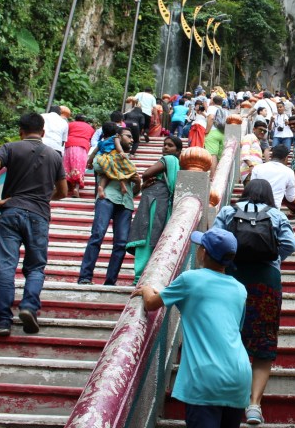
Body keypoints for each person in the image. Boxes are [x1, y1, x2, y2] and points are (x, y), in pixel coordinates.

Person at [131, 228, 251, 428]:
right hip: (239, 375)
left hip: (206, 376)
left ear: (203, 252)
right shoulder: (240, 289)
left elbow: (151, 303)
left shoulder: (190, 279)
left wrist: (146, 289)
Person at [213, 180, 295, 425]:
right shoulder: (276, 214)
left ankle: (228, 397)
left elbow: (215, 240)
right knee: (263, 339)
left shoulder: (229, 210)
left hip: (233, 277)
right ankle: (254, 406)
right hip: (266, 281)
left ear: (246, 191)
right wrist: (273, 257)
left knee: (230, 336)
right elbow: (291, 244)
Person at [0, 113, 67, 336]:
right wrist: (42, 197)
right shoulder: (54, 155)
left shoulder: (11, 147)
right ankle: (29, 306)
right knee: (36, 267)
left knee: (6, 266)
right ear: (43, 132)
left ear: (21, 131)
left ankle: (2, 320)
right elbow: (64, 191)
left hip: (10, 212)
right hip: (39, 215)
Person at [78, 128, 141, 286]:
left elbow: (133, 190)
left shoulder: (128, 161)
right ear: (118, 137)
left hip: (125, 202)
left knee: (121, 243)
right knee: (97, 236)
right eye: (129, 136)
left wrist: (138, 182)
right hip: (106, 197)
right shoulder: (104, 155)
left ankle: (110, 281)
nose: (132, 140)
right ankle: (85, 277)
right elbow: (98, 166)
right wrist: (122, 170)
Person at [127, 136, 182, 281]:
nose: (165, 147)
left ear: (178, 150)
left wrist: (146, 180)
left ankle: (140, 276)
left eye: (170, 145)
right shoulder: (175, 163)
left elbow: (146, 174)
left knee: (148, 235)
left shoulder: (169, 160)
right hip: (160, 202)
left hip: (155, 203)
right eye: (164, 145)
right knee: (154, 236)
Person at [251, 144, 295, 214]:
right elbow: (291, 198)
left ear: (271, 156)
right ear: (285, 158)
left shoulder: (257, 168)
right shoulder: (289, 172)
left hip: (255, 209)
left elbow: (251, 189)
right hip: (274, 211)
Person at [64, 115, 95, 197]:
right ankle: (76, 188)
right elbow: (92, 139)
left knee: (67, 167)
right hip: (83, 146)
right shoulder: (89, 127)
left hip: (69, 145)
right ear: (84, 120)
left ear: (75, 119)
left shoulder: (70, 124)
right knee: (79, 168)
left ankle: (67, 188)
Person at [204, 95, 227, 167]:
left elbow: (211, 118)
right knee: (220, 156)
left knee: (212, 155)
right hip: (222, 133)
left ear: (213, 101)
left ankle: (212, 177)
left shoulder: (211, 108)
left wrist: (207, 131)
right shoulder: (225, 110)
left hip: (213, 132)